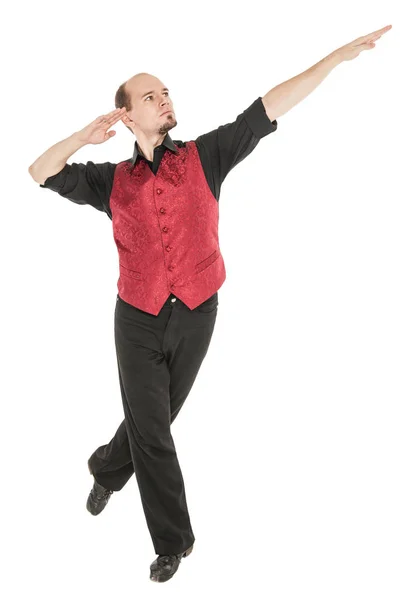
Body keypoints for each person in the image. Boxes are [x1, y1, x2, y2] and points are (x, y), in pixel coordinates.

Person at [28, 24, 391, 584]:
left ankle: (106, 466)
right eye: (150, 96)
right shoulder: (110, 181)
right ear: (127, 115)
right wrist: (82, 136)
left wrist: (335, 58)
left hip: (198, 310)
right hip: (136, 318)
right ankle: (174, 541)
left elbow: (267, 107)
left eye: (166, 91)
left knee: (156, 419)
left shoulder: (205, 156)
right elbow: (40, 171)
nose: (164, 99)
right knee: (153, 431)